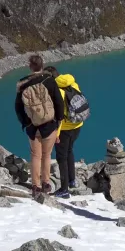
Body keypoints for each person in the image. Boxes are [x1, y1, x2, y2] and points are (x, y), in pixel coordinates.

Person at [15, 55, 64, 198]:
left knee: (35, 156)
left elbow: (18, 107)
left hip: (33, 127)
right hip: (49, 125)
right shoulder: (49, 80)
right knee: (46, 155)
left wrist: (26, 122)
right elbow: (58, 102)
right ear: (42, 65)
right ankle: (46, 182)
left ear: (30, 66)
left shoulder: (22, 84)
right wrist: (58, 120)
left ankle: (35, 185)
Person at [45, 66, 84, 199]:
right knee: (69, 151)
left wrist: (56, 134)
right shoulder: (73, 83)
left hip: (65, 129)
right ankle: (72, 180)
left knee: (61, 157)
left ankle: (64, 189)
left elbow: (59, 116)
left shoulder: (57, 92)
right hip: (78, 124)